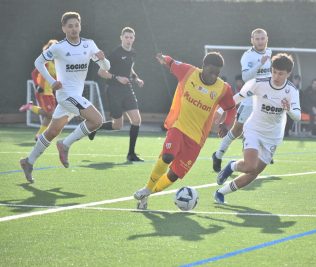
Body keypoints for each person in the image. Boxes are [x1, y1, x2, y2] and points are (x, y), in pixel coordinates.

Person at [133, 52, 236, 209]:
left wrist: (226, 124)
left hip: (196, 139)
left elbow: (231, 108)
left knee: (174, 175)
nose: (214, 76)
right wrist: (164, 59)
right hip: (178, 126)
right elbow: (172, 62)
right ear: (203, 66)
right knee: (167, 156)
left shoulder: (223, 88)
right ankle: (147, 187)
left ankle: (147, 195)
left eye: (217, 73)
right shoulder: (188, 72)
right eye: (211, 71)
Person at [19, 11, 110, 183]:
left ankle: (28, 161)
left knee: (52, 131)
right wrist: (52, 81)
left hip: (75, 96)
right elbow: (38, 62)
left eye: (76, 25)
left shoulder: (89, 44)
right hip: (65, 95)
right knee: (97, 120)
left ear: (80, 26)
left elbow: (106, 66)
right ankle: (65, 144)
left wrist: (103, 60)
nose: (74, 29)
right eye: (70, 26)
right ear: (64, 28)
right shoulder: (58, 47)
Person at [214, 53, 301, 204]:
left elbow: (298, 115)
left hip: (273, 136)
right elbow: (238, 97)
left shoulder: (291, 91)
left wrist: (289, 110)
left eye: (280, 74)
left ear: (288, 73)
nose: (276, 76)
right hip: (253, 129)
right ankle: (231, 166)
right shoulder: (259, 82)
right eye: (274, 71)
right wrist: (221, 110)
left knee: (254, 173)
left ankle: (221, 192)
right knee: (250, 166)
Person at [212, 28, 272, 172]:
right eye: (257, 39)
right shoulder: (248, 56)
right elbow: (246, 78)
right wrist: (260, 64)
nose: (260, 41)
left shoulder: (270, 53)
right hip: (249, 101)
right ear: (252, 40)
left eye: (262, 38)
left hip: (264, 100)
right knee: (236, 131)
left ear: (266, 39)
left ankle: (260, 154)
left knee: (263, 128)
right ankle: (218, 154)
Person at [88, 27, 145, 162]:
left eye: (131, 37)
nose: (129, 40)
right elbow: (101, 73)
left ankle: (131, 154)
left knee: (136, 120)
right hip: (114, 91)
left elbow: (130, 68)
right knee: (117, 126)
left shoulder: (133, 53)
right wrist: (117, 78)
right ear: (121, 38)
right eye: (126, 37)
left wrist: (136, 79)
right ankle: (95, 127)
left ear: (134, 39)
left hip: (127, 90)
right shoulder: (114, 53)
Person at [19, 39, 58, 141]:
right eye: (53, 47)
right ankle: (30, 106)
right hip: (42, 92)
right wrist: (37, 85)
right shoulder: (46, 61)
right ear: (49, 49)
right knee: (50, 114)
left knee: (49, 116)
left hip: (50, 92)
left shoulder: (56, 63)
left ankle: (38, 136)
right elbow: (34, 73)